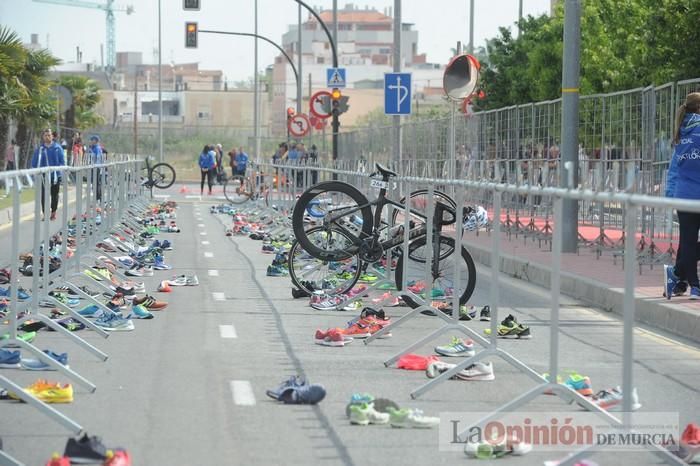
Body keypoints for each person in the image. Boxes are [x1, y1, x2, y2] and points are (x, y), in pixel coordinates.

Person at [664, 92, 700, 300]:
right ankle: (691, 284)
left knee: (687, 242)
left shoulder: (681, 132)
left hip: (684, 195)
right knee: (687, 243)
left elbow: (674, 168)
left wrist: (671, 194)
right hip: (694, 195)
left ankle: (679, 276)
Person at [31, 128, 65, 220]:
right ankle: (45, 214)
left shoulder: (58, 148)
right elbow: (34, 163)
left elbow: (62, 162)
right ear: (43, 137)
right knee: (44, 195)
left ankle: (53, 212)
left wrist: (60, 172)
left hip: (55, 176)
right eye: (45, 135)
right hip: (43, 177)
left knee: (54, 195)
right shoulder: (40, 149)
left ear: (52, 136)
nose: (47, 137)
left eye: (49, 135)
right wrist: (34, 173)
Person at [88, 135, 105, 202]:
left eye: (92, 140)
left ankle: (97, 198)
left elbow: (97, 158)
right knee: (95, 183)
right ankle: (97, 197)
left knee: (96, 183)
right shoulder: (94, 148)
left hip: (96, 167)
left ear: (95, 141)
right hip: (96, 167)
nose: (91, 142)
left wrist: (95, 166)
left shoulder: (96, 148)